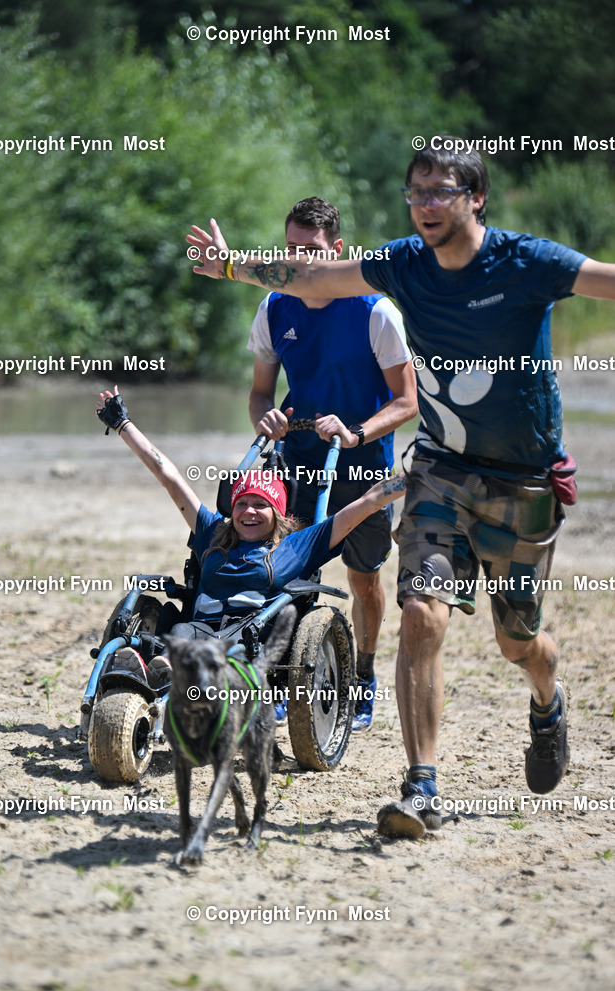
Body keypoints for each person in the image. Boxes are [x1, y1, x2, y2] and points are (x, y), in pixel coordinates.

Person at [186, 139, 615, 839]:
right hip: (439, 467)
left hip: (522, 477)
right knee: (421, 613)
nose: (425, 207)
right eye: (416, 194)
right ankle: (421, 787)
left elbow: (606, 280)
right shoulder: (402, 264)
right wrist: (233, 265)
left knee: (518, 642)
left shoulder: (528, 262)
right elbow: (315, 279)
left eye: (440, 192)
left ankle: (547, 700)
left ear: (475, 196)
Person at [247, 197, 417, 731]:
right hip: (297, 460)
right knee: (289, 575)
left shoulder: (375, 310)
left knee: (364, 580)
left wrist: (356, 431)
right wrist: (265, 420)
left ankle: (361, 677)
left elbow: (408, 402)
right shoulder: (275, 305)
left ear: (337, 250)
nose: (302, 261)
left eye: (313, 251)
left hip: (363, 466)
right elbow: (258, 393)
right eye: (292, 249)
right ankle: (287, 680)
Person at [96, 387, 406, 638]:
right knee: (179, 634)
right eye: (242, 503)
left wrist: (416, 476)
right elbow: (171, 479)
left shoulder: (298, 546)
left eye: (261, 505)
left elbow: (368, 502)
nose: (249, 511)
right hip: (194, 633)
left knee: (209, 648)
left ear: (279, 513)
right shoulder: (213, 531)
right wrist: (123, 425)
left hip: (249, 641)